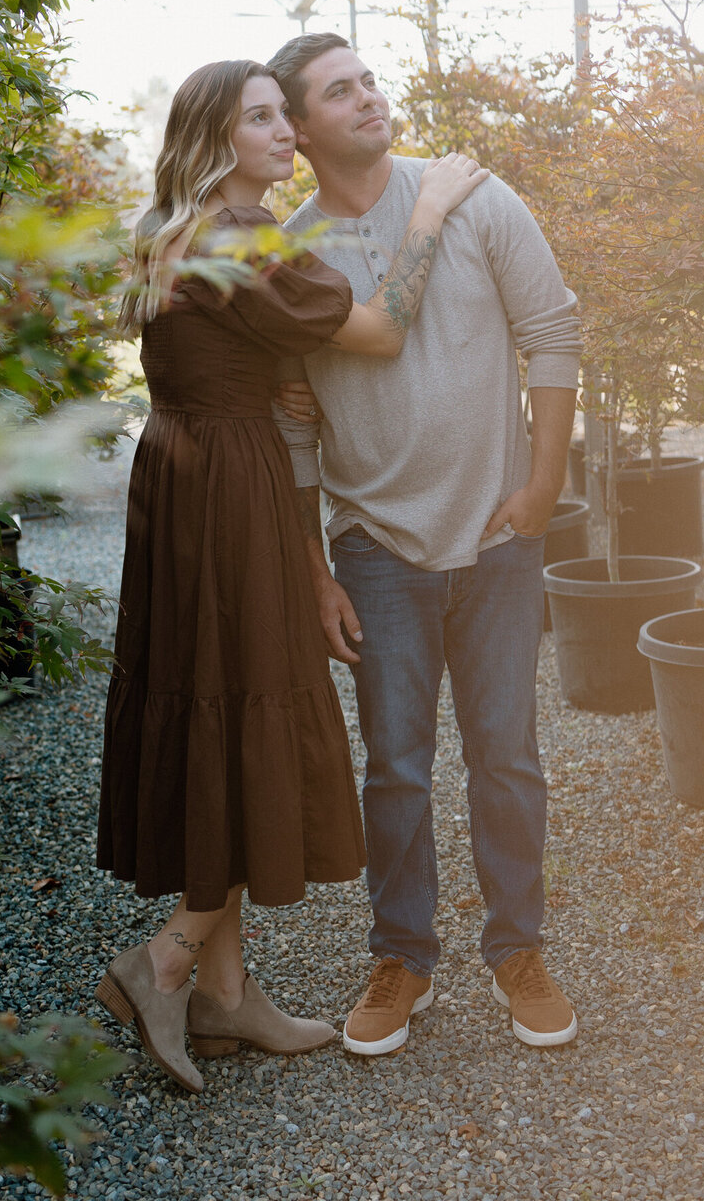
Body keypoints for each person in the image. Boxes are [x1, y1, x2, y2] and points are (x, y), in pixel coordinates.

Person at [95, 58, 488, 1094]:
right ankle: (170, 956)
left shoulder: (175, 232)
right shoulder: (243, 241)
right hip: (231, 497)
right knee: (246, 704)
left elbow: (243, 351)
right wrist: (432, 210)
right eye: (260, 118)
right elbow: (384, 327)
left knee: (216, 706)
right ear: (217, 139)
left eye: (284, 114)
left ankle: (227, 997)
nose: (284, 133)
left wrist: (283, 380)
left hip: (182, 481)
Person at [266, 32, 582, 1059]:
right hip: (376, 549)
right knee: (395, 769)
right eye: (338, 93)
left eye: (369, 80)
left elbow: (555, 333)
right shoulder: (293, 254)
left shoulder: (475, 195)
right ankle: (403, 956)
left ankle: (518, 952)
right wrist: (317, 566)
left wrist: (542, 484)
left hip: (495, 539)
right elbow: (296, 422)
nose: (368, 98)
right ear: (301, 128)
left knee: (507, 759)